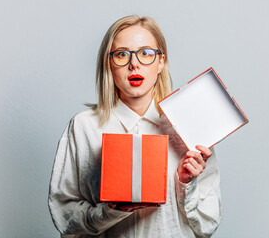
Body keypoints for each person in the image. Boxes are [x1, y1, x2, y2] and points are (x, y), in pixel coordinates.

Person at [48, 15, 222, 238]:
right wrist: (111, 210)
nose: (134, 64)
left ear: (161, 62)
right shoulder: (84, 127)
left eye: (146, 53)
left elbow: (207, 224)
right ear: (108, 64)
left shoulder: (189, 127)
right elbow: (65, 218)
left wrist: (187, 185)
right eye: (122, 54)